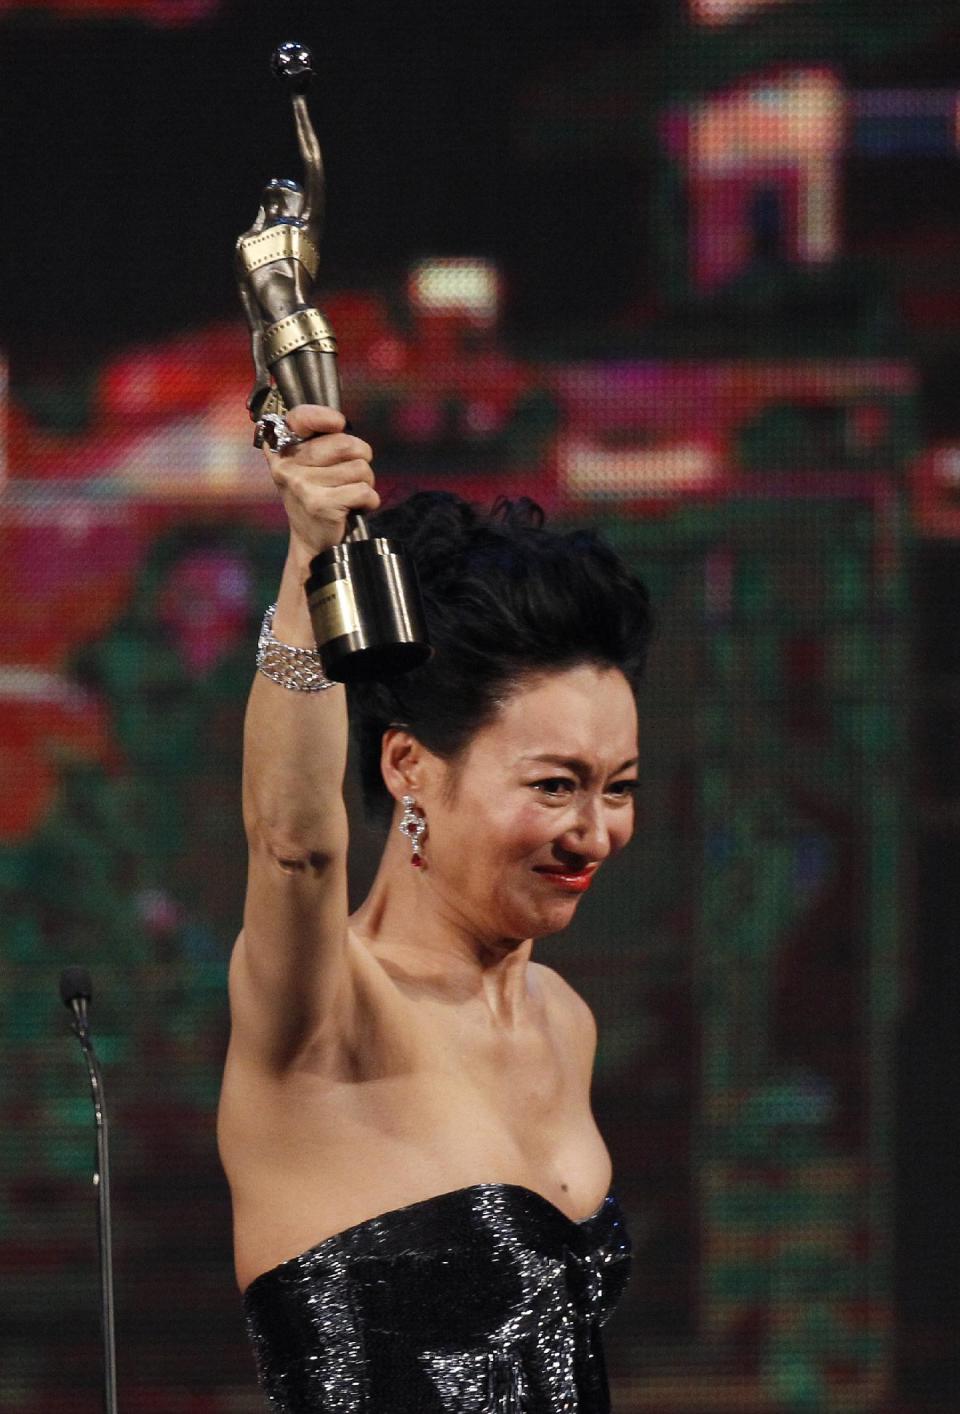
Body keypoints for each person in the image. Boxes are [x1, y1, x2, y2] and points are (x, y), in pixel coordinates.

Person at [217, 404, 654, 1412]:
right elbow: (292, 847)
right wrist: (310, 571)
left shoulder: (564, 1021)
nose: (594, 833)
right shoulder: (326, 1015)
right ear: (410, 764)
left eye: (619, 787)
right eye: (555, 786)